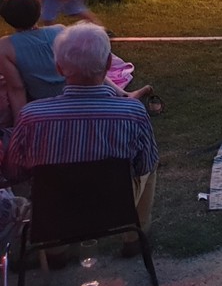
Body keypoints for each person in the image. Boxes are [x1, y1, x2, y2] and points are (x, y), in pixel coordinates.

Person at [3, 23, 159, 257]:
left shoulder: (30, 116)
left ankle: (55, 251)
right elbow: (143, 165)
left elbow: (16, 173)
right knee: (151, 165)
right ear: (108, 65)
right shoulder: (132, 112)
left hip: (54, 212)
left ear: (59, 68)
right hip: (116, 209)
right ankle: (134, 238)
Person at [0, 0, 152, 122]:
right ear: (38, 12)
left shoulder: (5, 46)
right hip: (77, 91)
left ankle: (124, 95)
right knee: (89, 63)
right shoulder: (59, 30)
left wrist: (20, 124)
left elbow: (16, 89)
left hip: (43, 102)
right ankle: (123, 94)